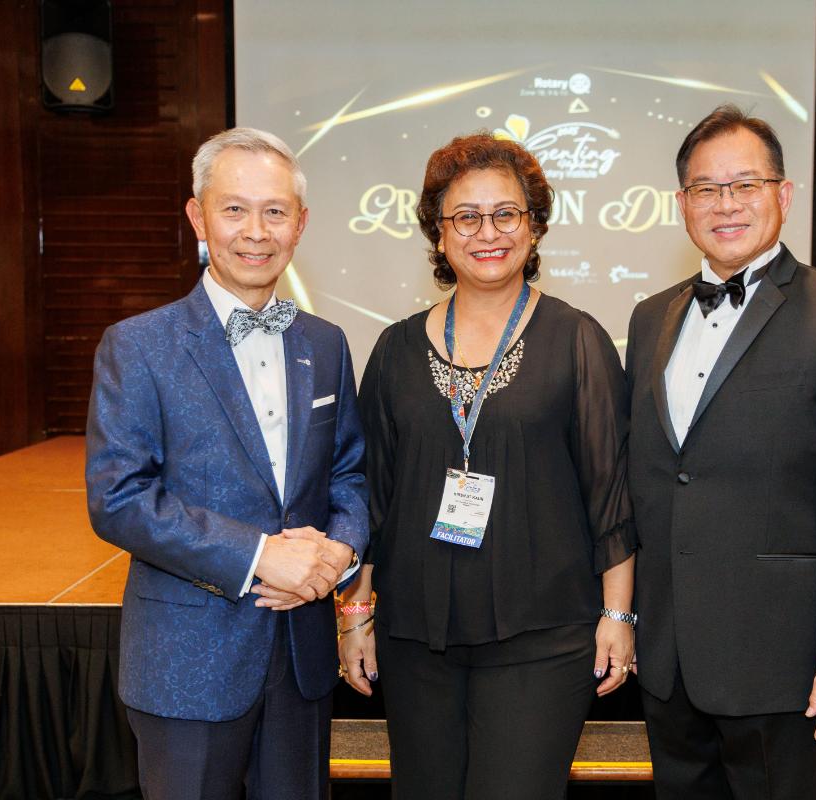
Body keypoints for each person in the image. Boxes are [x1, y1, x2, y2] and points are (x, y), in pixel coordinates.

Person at [337, 133, 637, 800]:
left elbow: (611, 494)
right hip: (415, 635)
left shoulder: (577, 340)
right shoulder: (394, 349)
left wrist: (619, 616)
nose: (488, 233)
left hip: (544, 632)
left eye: (506, 214)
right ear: (439, 233)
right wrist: (354, 614)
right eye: (466, 217)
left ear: (534, 226)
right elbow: (370, 496)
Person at [624, 105, 816, 798]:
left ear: (783, 194)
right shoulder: (650, 317)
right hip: (670, 660)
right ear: (682, 204)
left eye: (744, 185)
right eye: (705, 188)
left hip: (784, 665)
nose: (725, 204)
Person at [84, 127, 368, 800]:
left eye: (275, 211)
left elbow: (349, 474)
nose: (256, 231)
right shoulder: (138, 345)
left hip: (300, 656)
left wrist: (338, 554)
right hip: (186, 661)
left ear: (300, 224)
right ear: (198, 217)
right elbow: (119, 499)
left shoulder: (326, 343)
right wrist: (260, 556)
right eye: (234, 209)